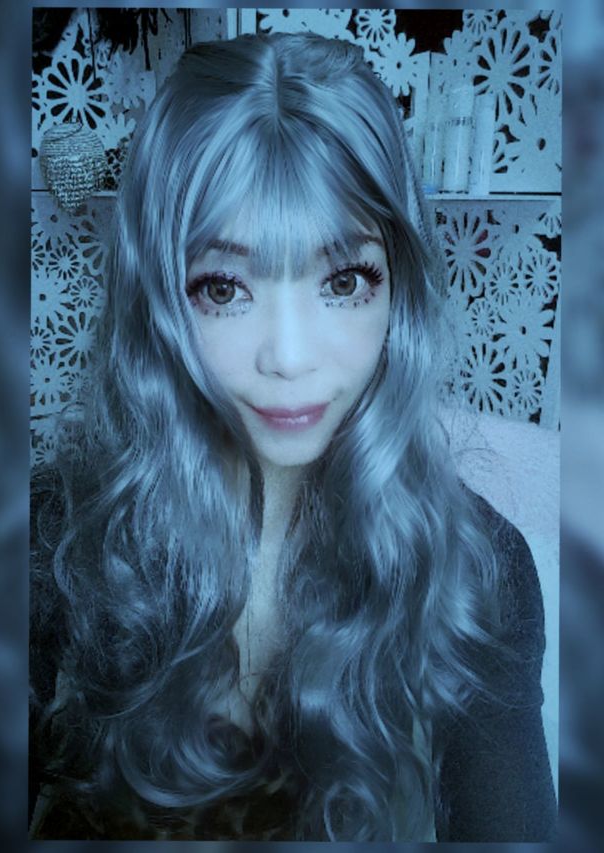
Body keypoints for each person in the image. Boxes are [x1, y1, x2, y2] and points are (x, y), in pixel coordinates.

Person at [29, 31, 557, 841]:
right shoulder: (50, 543)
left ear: (398, 287)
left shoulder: (479, 573)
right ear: (159, 298)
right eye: (223, 287)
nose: (289, 357)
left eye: (343, 280)